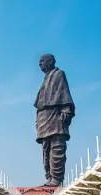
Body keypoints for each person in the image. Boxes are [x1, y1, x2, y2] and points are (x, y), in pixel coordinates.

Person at [35, 54, 75, 187]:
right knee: (45, 150)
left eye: (42, 61)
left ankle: (56, 179)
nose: (40, 64)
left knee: (57, 147)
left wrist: (66, 110)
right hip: (44, 118)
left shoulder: (58, 74)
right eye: (39, 62)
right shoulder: (45, 79)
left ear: (50, 61)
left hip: (55, 116)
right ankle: (49, 177)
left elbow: (64, 93)